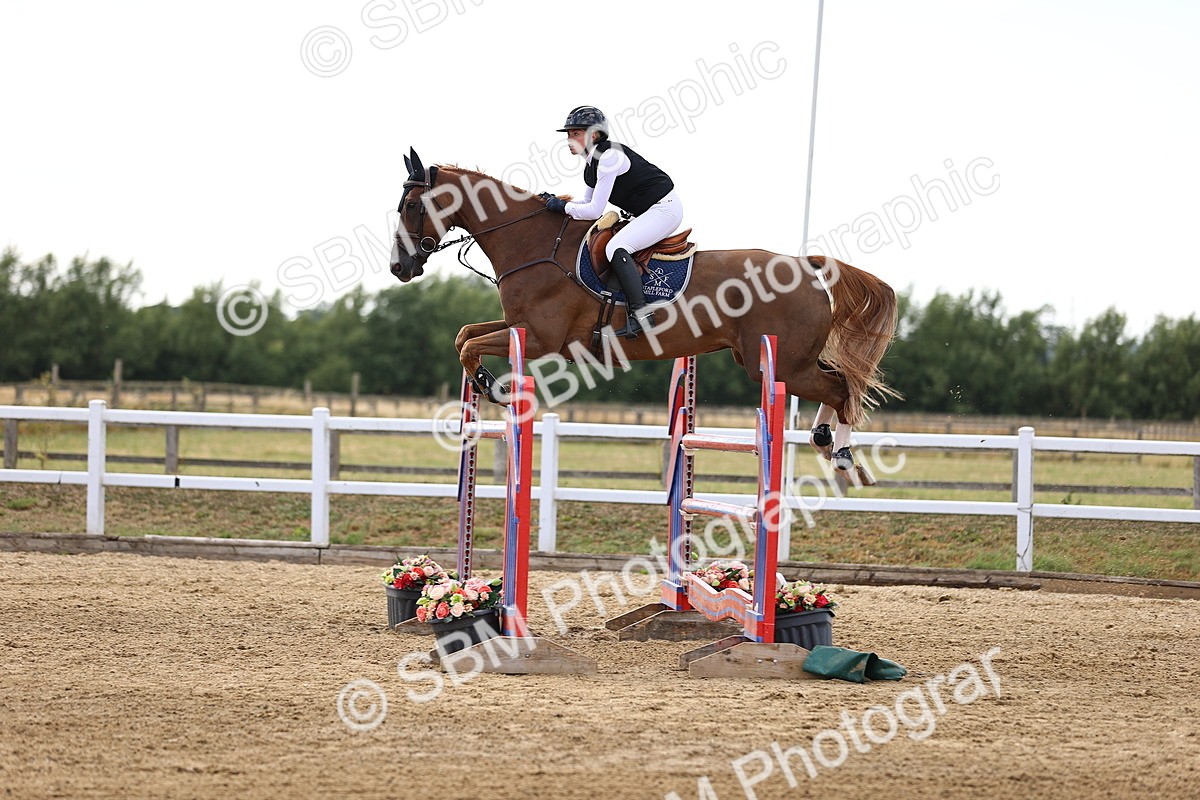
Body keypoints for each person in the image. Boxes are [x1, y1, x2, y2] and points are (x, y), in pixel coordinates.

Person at [543, 105, 684, 339]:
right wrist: (557, 203)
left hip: (664, 210)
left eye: (576, 133)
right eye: (568, 134)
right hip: (651, 211)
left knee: (616, 247)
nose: (569, 139)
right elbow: (585, 203)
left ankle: (641, 315)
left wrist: (562, 206)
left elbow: (594, 211)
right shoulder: (591, 166)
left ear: (594, 135)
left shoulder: (608, 157)